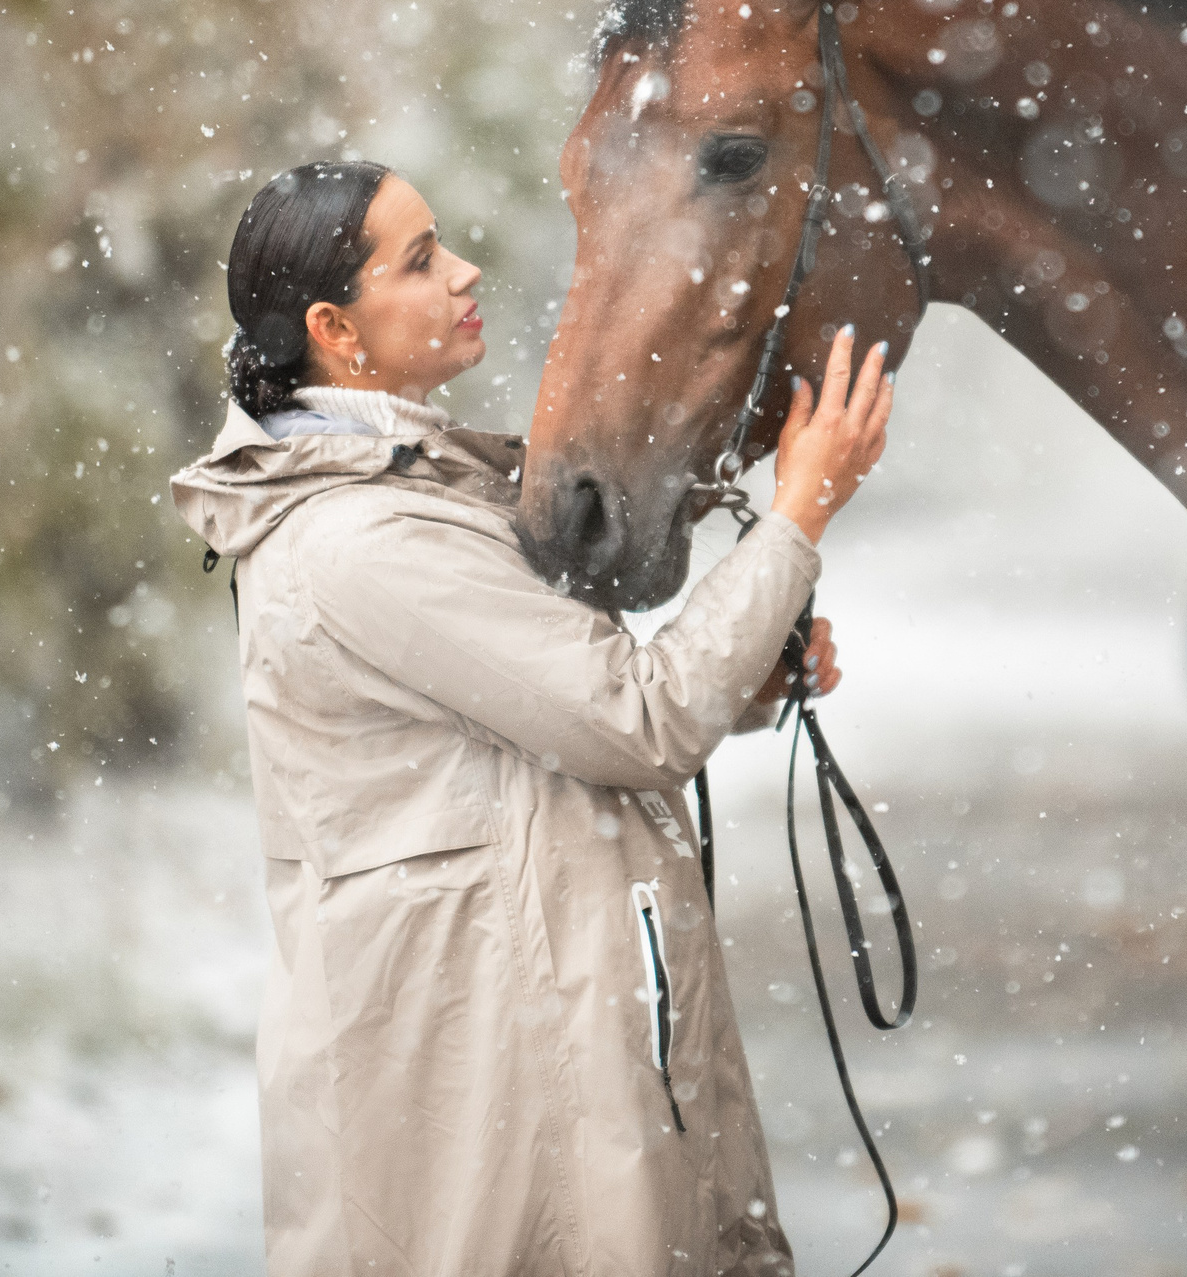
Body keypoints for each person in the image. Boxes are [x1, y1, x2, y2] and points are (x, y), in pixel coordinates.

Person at [170, 159, 892, 1277]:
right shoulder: (363, 537)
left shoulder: (404, 492)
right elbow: (637, 717)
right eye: (417, 260)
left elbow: (526, 726)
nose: (462, 270)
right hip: (489, 1083)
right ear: (334, 327)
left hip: (511, 1050)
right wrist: (798, 509)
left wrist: (738, 683)